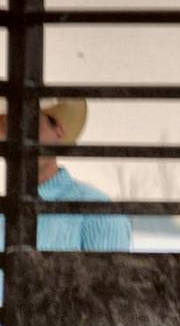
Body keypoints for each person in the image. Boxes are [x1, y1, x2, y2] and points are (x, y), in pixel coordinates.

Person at [0, 97, 133, 259]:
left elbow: (109, 282)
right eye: (4, 126)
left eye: (27, 124)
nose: (15, 137)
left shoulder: (98, 213)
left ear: (59, 130)